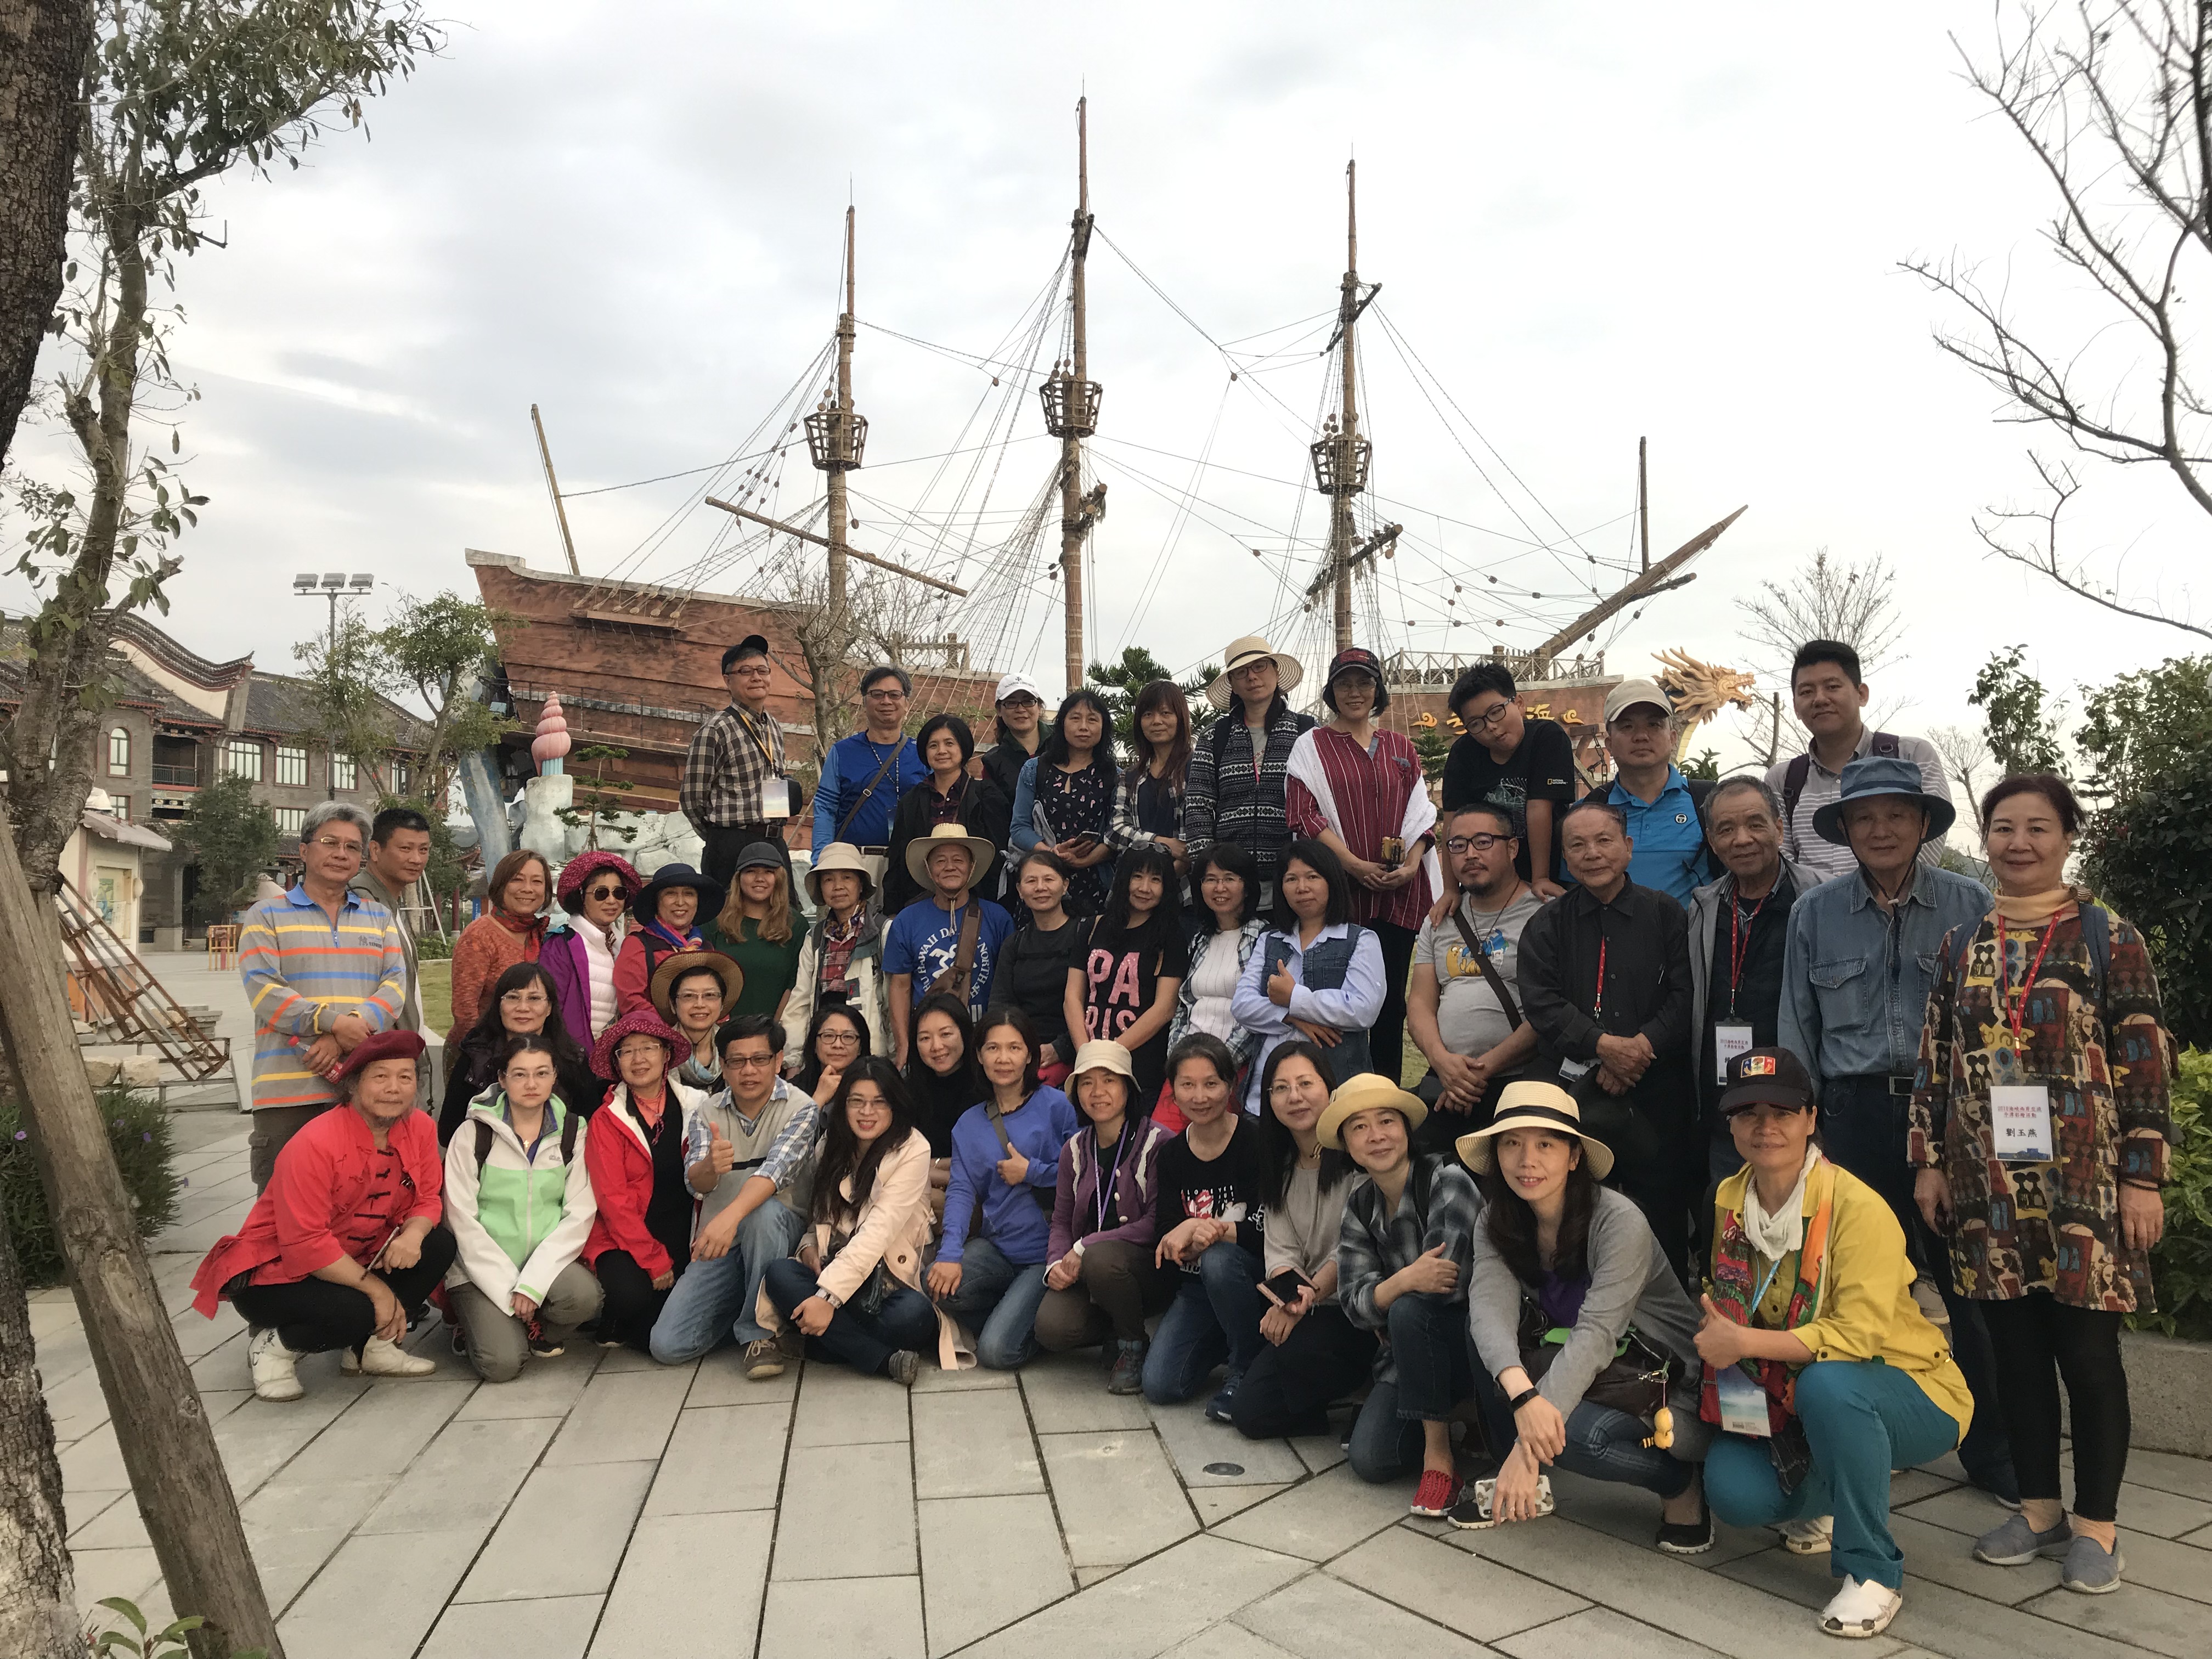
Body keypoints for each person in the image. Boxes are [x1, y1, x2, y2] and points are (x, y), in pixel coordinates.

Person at [1913, 774, 2174, 1594]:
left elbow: (2145, 1063)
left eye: (2037, 827)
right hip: (1987, 1183)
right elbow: (1935, 1059)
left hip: (2086, 1181)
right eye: (2003, 827)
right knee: (2014, 1357)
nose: (2018, 843)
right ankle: (2037, 1509)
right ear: (1985, 838)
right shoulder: (1963, 943)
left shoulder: (2108, 935)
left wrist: (2143, 1179)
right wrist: (1928, 1160)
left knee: (2089, 1356)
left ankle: (2097, 1525)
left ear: (2067, 837)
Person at [1778, 754, 2016, 1506]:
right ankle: (1864, 1432)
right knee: (1850, 1285)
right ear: (1845, 829)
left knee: (1968, 1290)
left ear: (1921, 824)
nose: (1881, 830)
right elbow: (1797, 1025)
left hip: (1947, 1117)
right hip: (1850, 1117)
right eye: (1864, 817)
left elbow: (1997, 1025)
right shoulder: (1815, 913)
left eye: (1896, 815)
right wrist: (1805, 1129)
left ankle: (1992, 1449)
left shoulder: (1971, 904)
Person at [1699, 1047, 1972, 1641]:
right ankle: (1834, 1499)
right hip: (1791, 1393)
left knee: (1831, 1385)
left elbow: (1856, 1337)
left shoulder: (1857, 1207)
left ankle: (1872, 1571)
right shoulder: (1728, 1200)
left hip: (1909, 1389)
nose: (1765, 1128)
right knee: (1732, 1490)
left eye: (1782, 1113)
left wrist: (1741, 1339)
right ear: (1732, 1125)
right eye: (1748, 1114)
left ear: (1811, 1119)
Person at [1460, 1081, 1712, 1550]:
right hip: (1584, 1366)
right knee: (1486, 1341)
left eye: (1546, 1145)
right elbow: (1490, 1310)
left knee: (1572, 1436)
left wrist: (1526, 1449)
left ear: (1574, 1157)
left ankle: (1679, 1482)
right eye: (1511, 1144)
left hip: (1661, 1377)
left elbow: (1598, 1332)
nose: (1526, 1160)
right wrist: (1523, 1399)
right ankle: (1520, 1459)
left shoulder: (1619, 1221)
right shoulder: (1497, 1218)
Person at [191, 1031, 449, 1401]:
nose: (394, 1088)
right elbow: (306, 1244)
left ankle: (371, 1349)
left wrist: (413, 1234)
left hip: (358, 1256)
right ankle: (274, 1348)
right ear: (353, 1085)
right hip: (278, 1274)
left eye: (405, 1077)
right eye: (380, 1076)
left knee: (438, 1244)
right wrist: (379, 1292)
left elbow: (427, 1199)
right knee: (357, 1310)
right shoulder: (315, 1143)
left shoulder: (420, 1127)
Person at [1515, 797, 1698, 1279]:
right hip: (1573, 1089)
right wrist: (1603, 1047)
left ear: (1628, 847)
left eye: (1604, 841)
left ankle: (1668, 1311)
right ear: (1564, 857)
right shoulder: (1547, 924)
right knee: (1577, 1205)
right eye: (1577, 845)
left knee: (1662, 1207)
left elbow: (1686, 995)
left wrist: (1638, 1050)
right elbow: (1541, 1002)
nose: (1592, 853)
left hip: (1656, 1086)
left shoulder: (1666, 914)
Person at [1327, 1073, 1485, 1515]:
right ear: (1347, 1145)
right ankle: (1461, 1415)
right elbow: (1352, 1305)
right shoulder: (1361, 1203)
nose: (1376, 1136)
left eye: (1386, 1121)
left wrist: (1385, 1301)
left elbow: (1445, 1286)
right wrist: (1401, 1282)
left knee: (1412, 1312)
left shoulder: (1447, 1179)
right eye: (1359, 1127)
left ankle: (1440, 1457)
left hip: (1470, 1346)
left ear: (1406, 1129)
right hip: (1406, 1356)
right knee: (1371, 1459)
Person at [1283, 646, 1437, 1089]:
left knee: (1390, 1004)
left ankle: (1385, 1095)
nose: (1355, 692)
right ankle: (1336, 1094)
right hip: (1341, 891)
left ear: (1378, 689)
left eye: (1364, 683)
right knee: (1335, 998)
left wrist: (1412, 865)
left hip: (1398, 891)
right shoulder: (1311, 746)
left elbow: (1422, 815)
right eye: (1345, 684)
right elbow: (1302, 814)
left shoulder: (1401, 747)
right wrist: (1351, 865)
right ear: (1331, 692)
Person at [239, 800, 406, 1189]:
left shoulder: (378, 917)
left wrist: (346, 1032)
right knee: (283, 1207)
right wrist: (332, 1024)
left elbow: (395, 986)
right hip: (289, 1094)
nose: (341, 854)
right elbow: (265, 991)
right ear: (304, 850)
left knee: (363, 1203)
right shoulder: (266, 915)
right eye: (330, 842)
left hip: (363, 1092)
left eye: (352, 847)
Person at [651, 1013, 828, 1377]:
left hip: (778, 1236)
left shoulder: (801, 1108)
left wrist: (728, 1219)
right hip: (721, 1243)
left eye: (760, 1059)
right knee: (668, 1346)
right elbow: (696, 1184)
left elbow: (775, 1173)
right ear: (724, 1065)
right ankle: (746, 1308)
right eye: (737, 1061)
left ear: (778, 1061)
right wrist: (709, 1167)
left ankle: (760, 1333)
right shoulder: (707, 1111)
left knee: (763, 1215)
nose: (749, 1070)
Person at [762, 1057, 951, 1384]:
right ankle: (882, 1360)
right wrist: (809, 1245)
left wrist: (827, 1299)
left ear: (895, 1105)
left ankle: (827, 1343)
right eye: (857, 1101)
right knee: (780, 1274)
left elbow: (878, 1232)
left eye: (879, 1102)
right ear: (843, 1105)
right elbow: (818, 1216)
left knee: (913, 1315)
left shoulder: (913, 1149)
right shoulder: (830, 1145)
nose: (867, 1112)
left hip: (889, 1280)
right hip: (836, 1267)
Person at [1229, 1042, 1374, 1441]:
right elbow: (1280, 1248)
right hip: (1305, 1304)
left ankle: (1367, 1389)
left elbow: (1352, 1248)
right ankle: (1321, 1406)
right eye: (1281, 1088)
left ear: (1329, 1087)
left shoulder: (1357, 1156)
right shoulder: (1279, 1165)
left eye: (1306, 1083)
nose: (1294, 1097)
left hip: (1353, 1307)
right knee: (1250, 1415)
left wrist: (1304, 1298)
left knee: (1304, 1352)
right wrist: (1289, 1301)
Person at [442, 1034, 601, 1383]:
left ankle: (534, 1328)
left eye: (542, 1073)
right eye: (519, 1074)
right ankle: (478, 1325)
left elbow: (578, 1213)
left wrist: (531, 1285)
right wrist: (508, 1288)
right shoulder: (473, 1134)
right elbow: (461, 1221)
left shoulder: (573, 1131)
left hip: (544, 1261)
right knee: (502, 1365)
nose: (531, 1084)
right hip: (479, 1269)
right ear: (502, 1079)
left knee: (585, 1298)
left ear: (555, 1076)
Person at [928, 1008, 1077, 1370]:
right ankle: (1012, 1312)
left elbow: (1084, 1174)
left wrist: (1032, 1172)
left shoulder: (1057, 1106)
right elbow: (961, 1192)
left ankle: (1026, 1322)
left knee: (996, 1352)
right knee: (933, 1281)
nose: (1003, 1058)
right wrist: (949, 1253)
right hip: (998, 1249)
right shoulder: (969, 1124)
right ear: (979, 1056)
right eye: (993, 1048)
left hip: (1046, 1254)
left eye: (1014, 1047)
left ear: (1030, 1055)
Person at [1688, 777, 1813, 1183]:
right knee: (1731, 1212)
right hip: (1729, 1103)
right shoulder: (1703, 908)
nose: (1742, 839)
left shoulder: (1817, 898)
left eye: (1755, 824)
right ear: (1712, 841)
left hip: (1798, 1103)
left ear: (1779, 828)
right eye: (1726, 829)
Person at [1034, 1040, 1174, 1393]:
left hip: (1146, 1266)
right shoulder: (1075, 1149)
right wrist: (1055, 1264)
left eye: (1109, 1080)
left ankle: (1133, 1344)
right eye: (1087, 1083)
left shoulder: (1159, 1143)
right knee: (1052, 1329)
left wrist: (1084, 1246)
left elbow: (1157, 1221)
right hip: (1090, 1267)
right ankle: (1116, 1325)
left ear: (1128, 1087)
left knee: (1101, 1258)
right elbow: (1061, 1219)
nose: (1098, 1092)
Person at [1142, 1034, 1268, 1417]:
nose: (1200, 1097)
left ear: (1230, 1085)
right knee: (1161, 1386)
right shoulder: (1171, 1154)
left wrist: (1206, 1231)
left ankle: (1245, 1367)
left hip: (1252, 1280)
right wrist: (1187, 1237)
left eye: (1211, 1083)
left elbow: (1265, 1230)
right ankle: (1228, 1338)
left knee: (1219, 1259)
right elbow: (1166, 1231)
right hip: (1198, 1288)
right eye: (1188, 1085)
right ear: (1173, 1092)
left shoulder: (1256, 1141)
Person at [1407, 803, 1543, 1147]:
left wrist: (1477, 1073)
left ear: (1513, 848)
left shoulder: (1545, 916)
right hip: (1446, 1079)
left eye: (1483, 842)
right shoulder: (1439, 920)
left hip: (1518, 1082)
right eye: (1458, 845)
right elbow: (1420, 1004)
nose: (1470, 854)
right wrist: (1443, 1063)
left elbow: (1551, 1010)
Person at [1764, 640, 1951, 885]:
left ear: (1862, 694)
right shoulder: (1783, 780)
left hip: (1902, 905)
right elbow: (1782, 861)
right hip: (1812, 908)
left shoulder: (1912, 755)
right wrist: (1823, 901)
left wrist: (1879, 898)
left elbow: (1929, 841)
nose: (1820, 699)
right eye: (1806, 692)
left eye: (1832, 687)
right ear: (1796, 707)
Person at [580, 1010, 709, 1351]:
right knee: (634, 1301)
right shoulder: (606, 1120)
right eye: (627, 1051)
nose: (639, 1059)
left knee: (678, 1319)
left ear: (666, 1055)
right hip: (625, 1234)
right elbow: (613, 1201)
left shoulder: (697, 1106)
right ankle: (614, 1313)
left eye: (649, 1048)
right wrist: (653, 1259)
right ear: (617, 1063)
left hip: (682, 1229)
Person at [1229, 839, 1385, 1113]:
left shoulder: (1361, 940)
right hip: (1266, 1094)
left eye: (1313, 877)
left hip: (1337, 1093)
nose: (1302, 888)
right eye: (1291, 879)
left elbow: (1363, 1010)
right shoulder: (1270, 940)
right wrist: (1292, 1016)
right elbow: (1242, 1006)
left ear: (1332, 882)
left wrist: (1293, 997)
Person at [1184, 635, 1317, 904]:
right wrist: (1211, 872)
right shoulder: (1215, 736)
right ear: (1232, 683)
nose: (1252, 677)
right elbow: (1198, 807)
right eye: (1241, 672)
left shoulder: (1306, 732)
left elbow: (1321, 804)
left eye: (1260, 667)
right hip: (1231, 885)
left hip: (1295, 881)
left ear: (1276, 672)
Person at [1438, 660, 1577, 896]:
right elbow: (1453, 824)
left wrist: (1540, 878)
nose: (1491, 727)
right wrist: (1450, 890)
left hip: (1550, 873)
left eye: (1496, 712)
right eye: (1476, 724)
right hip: (1487, 883)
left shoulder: (1547, 737)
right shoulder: (1463, 753)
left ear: (1519, 703)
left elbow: (1539, 809)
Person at [1155, 842, 1267, 1131]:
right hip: (1187, 1065)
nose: (1220, 888)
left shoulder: (1265, 939)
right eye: (1210, 880)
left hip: (1233, 1068)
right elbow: (1184, 1006)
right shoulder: (1199, 940)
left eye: (1230, 879)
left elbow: (1259, 1013)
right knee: (1160, 1140)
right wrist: (1178, 1058)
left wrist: (1219, 1065)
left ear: (1247, 886)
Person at [1065, 844, 1187, 1105]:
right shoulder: (1092, 927)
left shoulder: (1172, 937)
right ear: (1123, 880)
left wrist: (1111, 1053)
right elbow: (1072, 997)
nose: (1145, 888)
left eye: (1156, 880)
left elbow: (1165, 1008)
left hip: (1139, 1065)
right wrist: (1086, 1052)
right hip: (1087, 1058)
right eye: (1137, 877)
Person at [883, 823, 1015, 1060]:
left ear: (972, 866)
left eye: (958, 860)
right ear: (928, 868)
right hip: (931, 1044)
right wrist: (904, 1046)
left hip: (986, 1040)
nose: (950, 867)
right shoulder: (906, 921)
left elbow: (1009, 985)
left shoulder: (998, 918)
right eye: (940, 861)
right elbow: (900, 987)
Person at [682, 633, 798, 891]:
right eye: (745, 671)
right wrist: (720, 835)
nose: (756, 677)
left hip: (774, 840)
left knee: (784, 913)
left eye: (762, 670)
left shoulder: (773, 726)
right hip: (732, 845)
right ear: (728, 680)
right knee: (731, 914)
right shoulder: (715, 729)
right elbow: (692, 799)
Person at [438, 961, 602, 1143]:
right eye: (513, 997)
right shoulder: (475, 1056)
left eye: (534, 998)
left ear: (549, 1007)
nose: (523, 1008)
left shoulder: (573, 1059)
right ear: (498, 1005)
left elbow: (591, 1129)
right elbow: (449, 1132)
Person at [1594, 680, 1716, 906]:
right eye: (1627, 727)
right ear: (1609, 744)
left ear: (1672, 738)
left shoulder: (1709, 803)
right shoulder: (1589, 810)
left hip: (1692, 930)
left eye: (1654, 725)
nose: (1641, 736)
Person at [884, 713, 1013, 915]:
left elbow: (999, 856)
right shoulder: (911, 801)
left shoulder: (987, 795)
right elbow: (898, 860)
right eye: (933, 745)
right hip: (922, 906)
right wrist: (893, 912)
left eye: (949, 743)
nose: (941, 751)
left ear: (963, 748)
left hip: (979, 907)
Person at [809, 663, 929, 881]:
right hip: (852, 864)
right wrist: (821, 861)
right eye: (877, 694)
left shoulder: (922, 754)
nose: (886, 701)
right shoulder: (842, 752)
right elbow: (825, 810)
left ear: (907, 704)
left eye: (894, 695)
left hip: (908, 865)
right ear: (865, 701)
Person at [351, 805, 435, 1108]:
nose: (416, 859)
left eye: (423, 850)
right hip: (383, 1063)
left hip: (401, 1055)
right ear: (375, 850)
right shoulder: (361, 902)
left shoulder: (389, 903)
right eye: (405, 848)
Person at [1009, 688, 1119, 916]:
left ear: (1104, 727)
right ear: (1062, 724)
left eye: (1092, 720)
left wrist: (1086, 860)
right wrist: (1051, 853)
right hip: (1043, 882)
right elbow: (1019, 828)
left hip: (1096, 884)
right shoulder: (1035, 769)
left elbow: (1117, 834)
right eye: (1075, 718)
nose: (1083, 727)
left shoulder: (1115, 776)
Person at [780, 842, 891, 1066]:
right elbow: (800, 1002)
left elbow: (893, 999)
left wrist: (894, 1057)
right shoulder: (816, 938)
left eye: (847, 878)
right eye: (829, 880)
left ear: (861, 885)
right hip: (826, 1050)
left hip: (872, 1053)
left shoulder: (882, 931)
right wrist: (794, 1060)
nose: (838, 886)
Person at [987, 847, 1087, 1085]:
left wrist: (1060, 1049)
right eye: (1031, 881)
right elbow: (1000, 1005)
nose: (1040, 888)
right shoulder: (1014, 944)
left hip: (1077, 1046)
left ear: (1065, 885)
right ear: (1020, 891)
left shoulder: (1086, 934)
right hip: (1024, 1049)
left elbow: (1097, 1003)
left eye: (1049, 879)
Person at [448, 850, 552, 1042]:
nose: (528, 889)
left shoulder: (542, 934)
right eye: (517, 880)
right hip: (482, 1048)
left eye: (537, 881)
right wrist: (485, 1052)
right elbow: (465, 1011)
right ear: (501, 885)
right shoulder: (480, 936)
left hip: (532, 1050)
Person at [541, 850, 641, 1045]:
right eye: (601, 893)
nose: (612, 901)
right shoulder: (560, 947)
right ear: (581, 896)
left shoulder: (623, 947)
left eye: (619, 893)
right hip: (570, 1055)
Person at [904, 992, 988, 1215]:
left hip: (977, 1200)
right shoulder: (906, 1091)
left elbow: (984, 1164)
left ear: (964, 1033)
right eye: (925, 1038)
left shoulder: (988, 1085)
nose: (936, 1046)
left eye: (946, 1034)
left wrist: (931, 1166)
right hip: (917, 1191)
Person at [702, 842, 802, 1019]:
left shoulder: (795, 923)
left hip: (774, 1027)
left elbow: (794, 984)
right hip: (720, 1027)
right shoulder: (715, 920)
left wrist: (774, 1029)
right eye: (751, 871)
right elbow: (700, 978)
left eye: (768, 872)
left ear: (779, 878)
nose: (759, 878)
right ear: (738, 878)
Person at [612, 862, 726, 1016]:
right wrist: (677, 1025)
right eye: (670, 894)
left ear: (697, 902)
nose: (680, 902)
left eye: (689, 894)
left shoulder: (705, 947)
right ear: (657, 902)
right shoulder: (638, 945)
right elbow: (631, 1002)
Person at [1105, 678, 1193, 870]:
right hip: (1136, 880)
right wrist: (1162, 842)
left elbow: (1199, 835)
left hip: (1187, 882)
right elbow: (1116, 831)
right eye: (1148, 714)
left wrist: (1170, 876)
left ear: (1181, 718)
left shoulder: (1197, 768)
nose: (1157, 721)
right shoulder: (1130, 777)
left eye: (1165, 713)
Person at [650, 952, 745, 1090]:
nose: (700, 1004)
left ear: (722, 1003)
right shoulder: (659, 1055)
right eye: (689, 996)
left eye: (710, 995)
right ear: (673, 1005)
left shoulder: (737, 1050)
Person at [981, 672, 1051, 810]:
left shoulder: (1064, 743)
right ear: (999, 710)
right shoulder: (993, 763)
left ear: (1039, 706)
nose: (1021, 709)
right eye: (1011, 703)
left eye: (1028, 701)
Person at [792, 1002, 869, 1098]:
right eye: (829, 1036)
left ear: (860, 1047)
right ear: (814, 1044)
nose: (838, 1045)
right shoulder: (792, 1091)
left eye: (848, 1037)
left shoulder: (876, 1087)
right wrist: (819, 1098)